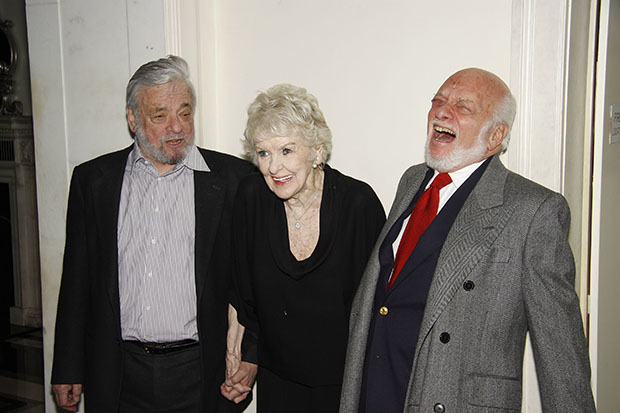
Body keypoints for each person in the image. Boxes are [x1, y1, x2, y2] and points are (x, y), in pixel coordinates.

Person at [339, 68, 596, 413]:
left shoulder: (534, 210)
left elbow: (559, 347)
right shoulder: (412, 180)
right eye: (438, 101)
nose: (442, 112)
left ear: (496, 136)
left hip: (451, 399)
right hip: (377, 388)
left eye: (463, 107)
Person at [51, 55, 254, 413]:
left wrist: (250, 355)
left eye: (185, 113)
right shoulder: (93, 181)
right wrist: (68, 366)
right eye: (160, 115)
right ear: (133, 119)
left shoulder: (234, 181)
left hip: (200, 373)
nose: (176, 128)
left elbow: (254, 281)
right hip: (117, 372)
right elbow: (76, 281)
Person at [220, 84, 386, 412]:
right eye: (263, 153)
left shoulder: (358, 205)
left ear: (317, 150)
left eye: (286, 150)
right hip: (278, 381)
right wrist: (239, 357)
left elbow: (380, 304)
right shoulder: (251, 198)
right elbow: (241, 291)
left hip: (344, 384)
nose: (274, 167)